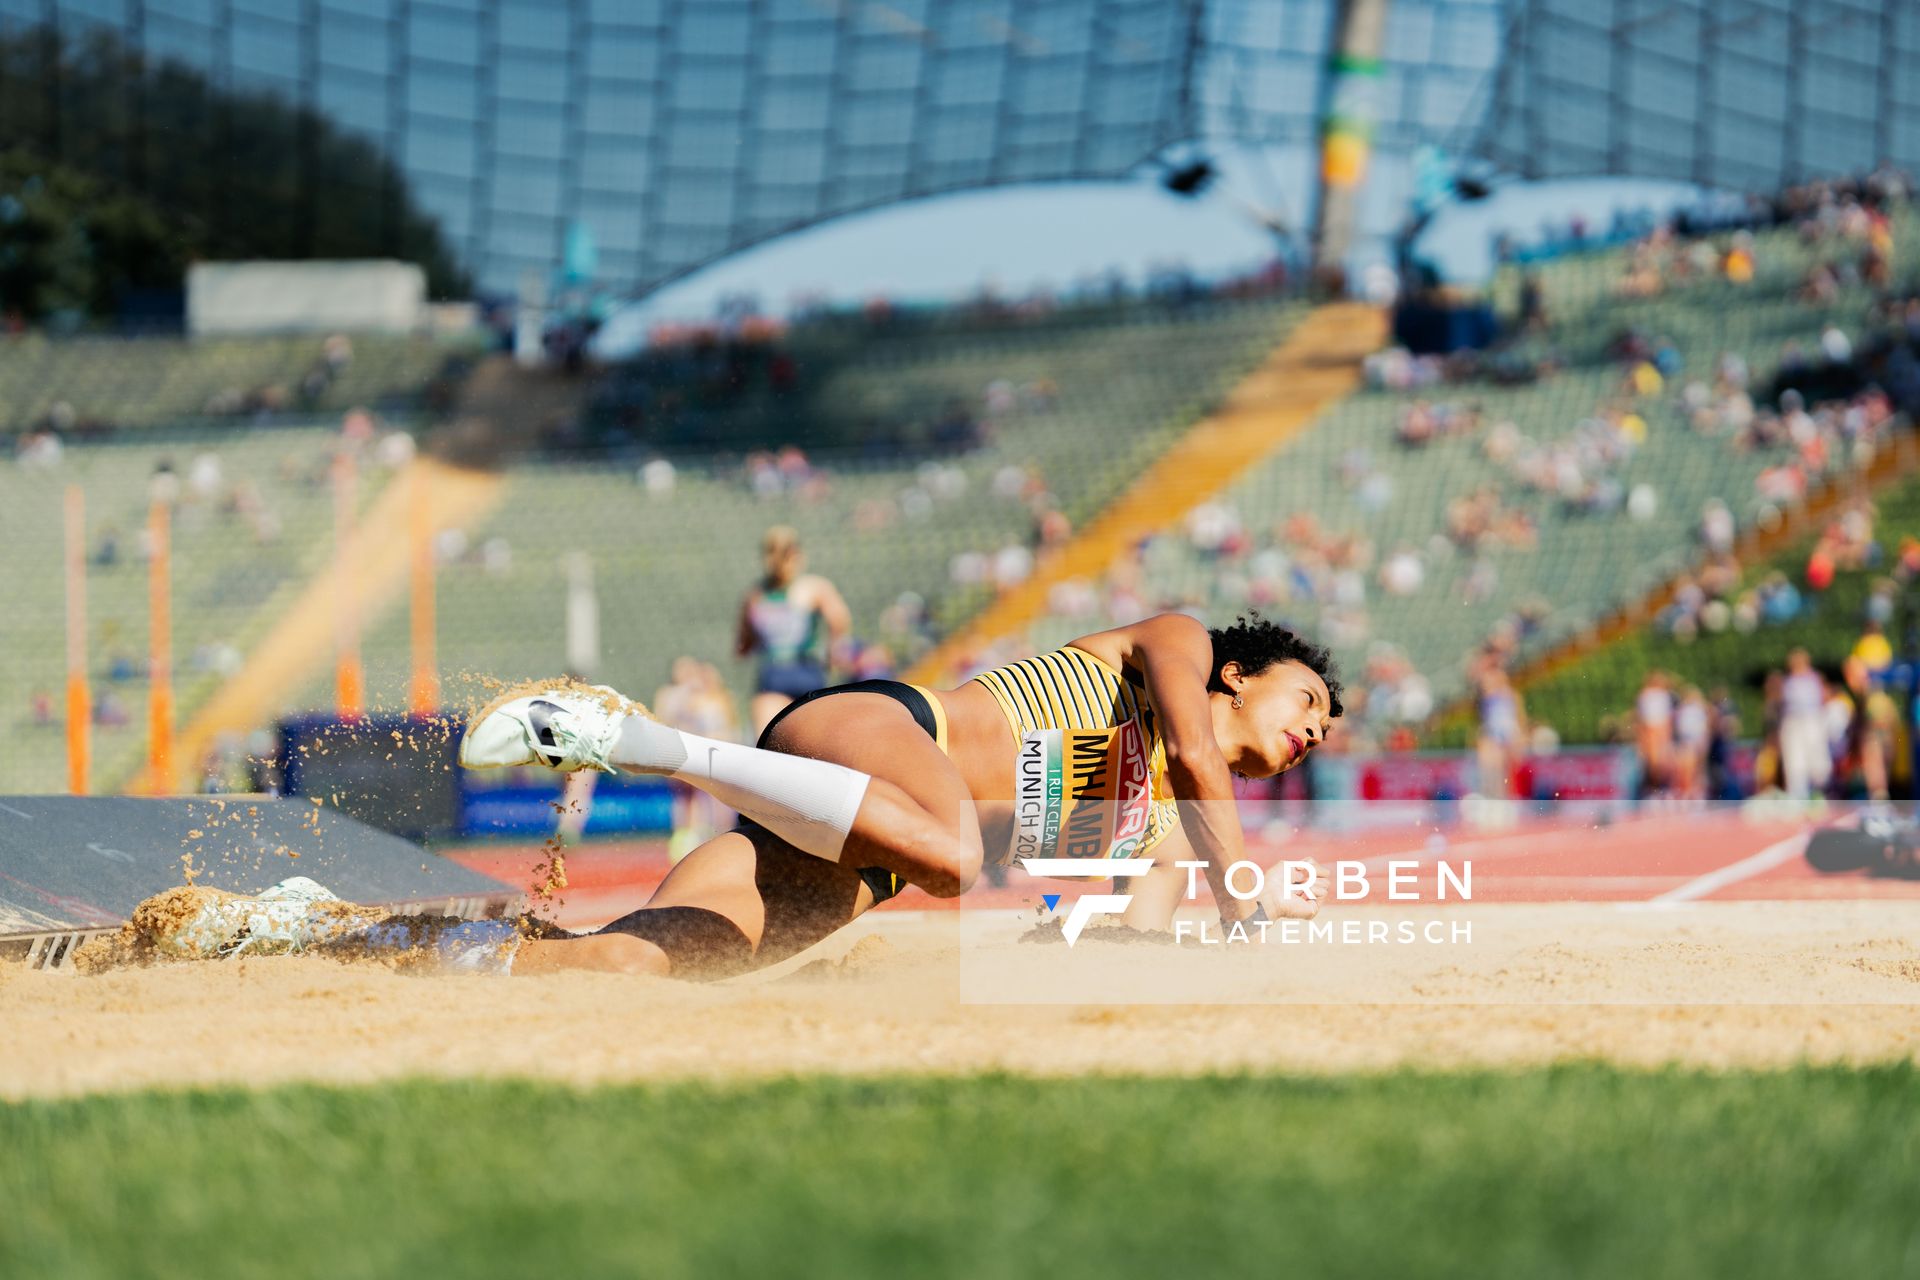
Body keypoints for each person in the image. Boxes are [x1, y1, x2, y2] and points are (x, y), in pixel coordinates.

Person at [460, 613, 1342, 978]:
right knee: (958, 856)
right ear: (1237, 673)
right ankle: (637, 740)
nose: (1314, 729)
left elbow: (1131, 948)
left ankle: (396, 937)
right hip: (889, 732)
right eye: (1307, 700)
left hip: (872, 852)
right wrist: (1247, 895)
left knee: (634, 964)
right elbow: (1190, 752)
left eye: (1326, 732)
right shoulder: (1178, 642)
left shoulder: (1176, 840)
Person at [737, 526, 851, 738]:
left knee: (770, 744)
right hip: (806, 672)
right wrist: (833, 653)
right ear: (797, 555)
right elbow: (839, 621)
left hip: (777, 674)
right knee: (809, 744)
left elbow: (743, 645)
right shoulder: (814, 587)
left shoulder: (756, 595)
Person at [1778, 648, 1830, 804]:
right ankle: (1797, 797)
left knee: (1817, 761)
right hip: (1793, 723)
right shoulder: (1788, 680)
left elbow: (1823, 699)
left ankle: (1818, 793)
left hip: (1811, 721)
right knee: (1794, 762)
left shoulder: (1814, 678)